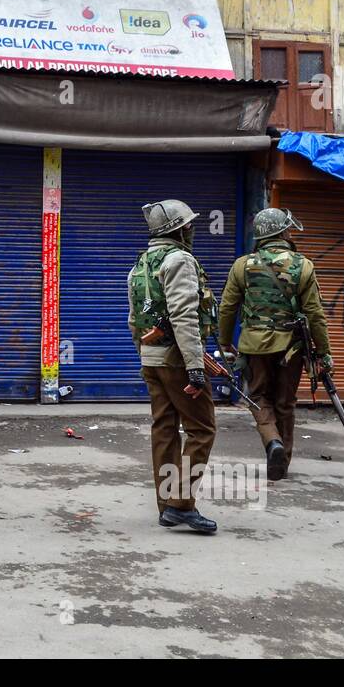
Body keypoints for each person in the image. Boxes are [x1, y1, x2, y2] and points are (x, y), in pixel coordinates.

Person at [217, 207, 333, 482]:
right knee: (285, 402)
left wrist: (224, 343)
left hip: (253, 347)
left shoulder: (242, 265)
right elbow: (316, 314)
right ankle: (283, 462)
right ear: (282, 231)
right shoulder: (303, 265)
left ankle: (272, 443)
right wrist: (324, 352)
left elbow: (227, 308)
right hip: (291, 347)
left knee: (258, 398)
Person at [128, 199, 219, 533]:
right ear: (179, 229)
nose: (192, 229)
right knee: (201, 428)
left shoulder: (141, 263)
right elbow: (184, 314)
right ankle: (181, 504)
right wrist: (195, 366)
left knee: (164, 429)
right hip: (178, 360)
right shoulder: (179, 259)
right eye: (189, 225)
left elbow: (134, 318)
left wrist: (144, 355)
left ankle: (167, 505)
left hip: (152, 359)